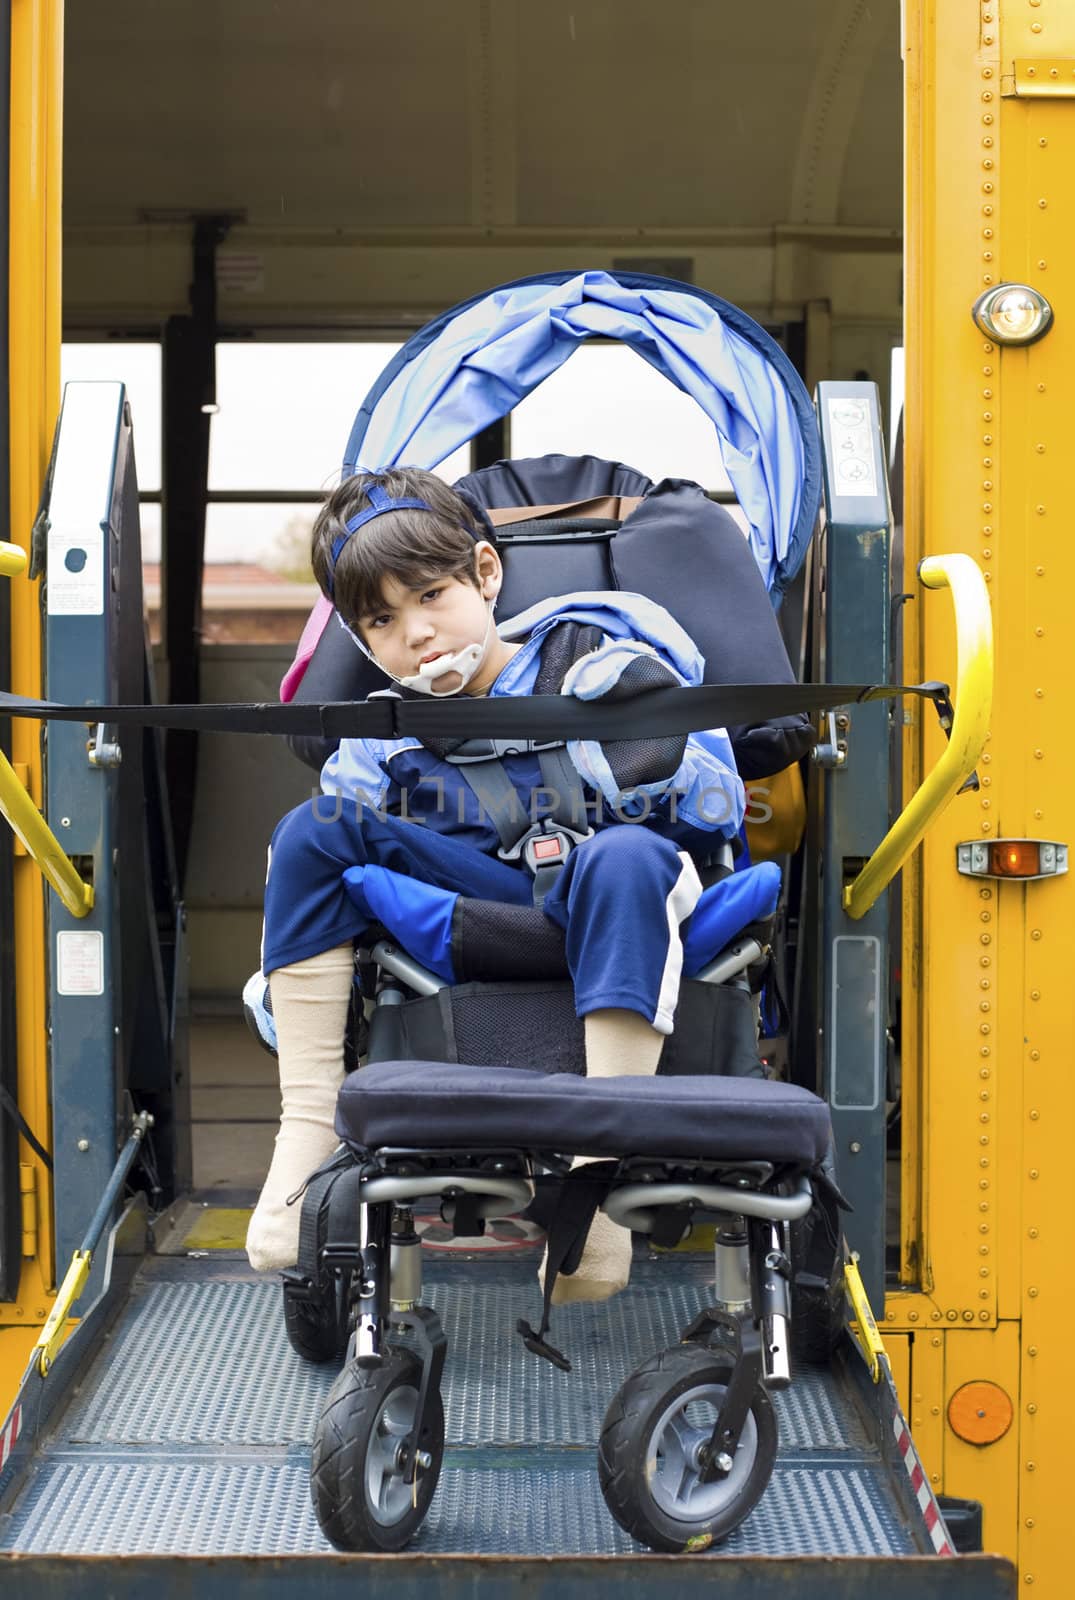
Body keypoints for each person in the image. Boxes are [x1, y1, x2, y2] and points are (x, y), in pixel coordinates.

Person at [245, 466, 745, 1298]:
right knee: (311, 829)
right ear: (363, 642)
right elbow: (310, 880)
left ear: (485, 572)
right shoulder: (380, 741)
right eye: (381, 620)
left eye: (431, 595)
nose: (416, 633)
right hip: (479, 915)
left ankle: (597, 1192)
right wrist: (275, 994)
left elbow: (724, 810)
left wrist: (642, 746)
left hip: (626, 904)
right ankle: (305, 1138)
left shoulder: (599, 659)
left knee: (625, 854)